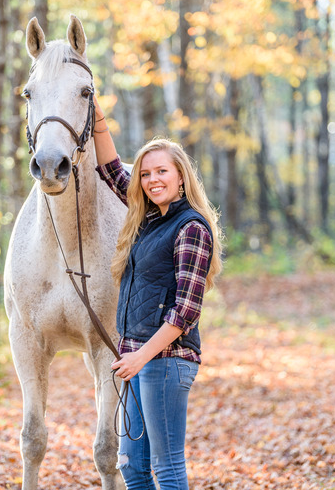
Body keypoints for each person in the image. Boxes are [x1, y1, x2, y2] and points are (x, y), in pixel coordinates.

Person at [92, 98, 223, 490]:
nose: (152, 180)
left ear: (181, 176)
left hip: (166, 361)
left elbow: (185, 313)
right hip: (138, 359)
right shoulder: (148, 220)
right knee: (132, 468)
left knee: (166, 468)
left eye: (162, 171)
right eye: (146, 174)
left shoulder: (191, 228)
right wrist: (95, 116)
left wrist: (140, 357)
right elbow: (113, 171)